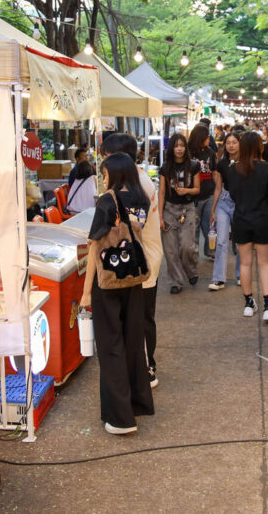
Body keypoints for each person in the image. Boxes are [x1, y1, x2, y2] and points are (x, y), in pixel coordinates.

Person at [79, 154, 154, 434]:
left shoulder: (107, 202)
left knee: (111, 345)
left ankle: (120, 418)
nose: (103, 178)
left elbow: (95, 248)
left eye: (105, 173)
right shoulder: (141, 199)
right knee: (132, 342)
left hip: (108, 281)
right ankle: (135, 404)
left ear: (114, 173)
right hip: (132, 279)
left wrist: (86, 292)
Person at [101, 134, 163, 388]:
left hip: (143, 261)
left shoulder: (138, 187)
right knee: (140, 316)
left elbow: (129, 230)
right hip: (142, 259)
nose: (104, 165)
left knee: (142, 317)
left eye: (107, 158)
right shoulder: (133, 180)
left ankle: (148, 369)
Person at [222, 132, 268, 320]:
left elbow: (232, 194)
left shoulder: (232, 170)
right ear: (259, 147)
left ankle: (248, 303)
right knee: (265, 263)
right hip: (263, 220)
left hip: (241, 220)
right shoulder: (267, 168)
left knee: (245, 263)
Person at [158, 133, 200, 294]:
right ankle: (175, 281)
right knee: (170, 250)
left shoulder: (193, 165)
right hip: (169, 209)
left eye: (182, 145)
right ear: (171, 148)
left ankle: (191, 270)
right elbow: (162, 192)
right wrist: (160, 216)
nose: (179, 149)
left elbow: (197, 189)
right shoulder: (165, 167)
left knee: (187, 246)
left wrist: (186, 191)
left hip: (187, 209)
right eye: (176, 146)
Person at [208, 132, 242, 291]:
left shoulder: (246, 162)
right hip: (223, 202)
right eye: (228, 143)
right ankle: (218, 279)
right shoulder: (222, 164)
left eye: (234, 142)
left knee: (241, 241)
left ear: (240, 144)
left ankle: (241, 275)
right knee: (221, 241)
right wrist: (213, 209)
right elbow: (218, 188)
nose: (231, 145)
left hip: (240, 203)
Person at [187, 124, 217, 260]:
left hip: (209, 194)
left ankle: (211, 251)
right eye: (207, 137)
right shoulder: (188, 153)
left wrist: (217, 189)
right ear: (200, 138)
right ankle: (193, 254)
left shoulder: (210, 152)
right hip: (193, 197)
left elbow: (214, 172)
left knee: (210, 225)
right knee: (194, 228)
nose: (209, 139)